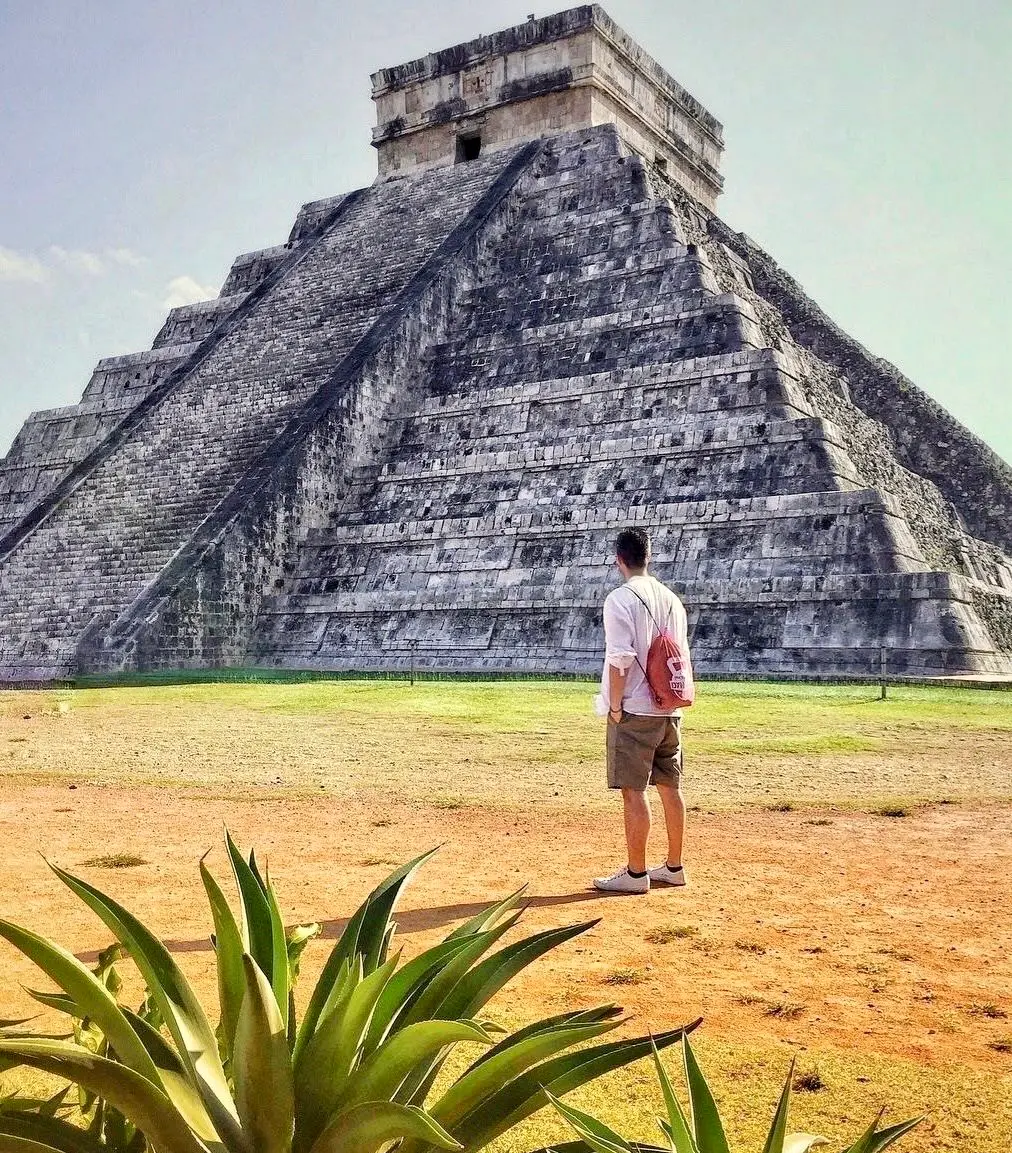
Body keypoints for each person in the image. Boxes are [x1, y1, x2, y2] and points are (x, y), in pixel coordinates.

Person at [593, 527, 690, 894]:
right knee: (670, 786)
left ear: (619, 560)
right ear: (648, 557)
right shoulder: (671, 599)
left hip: (634, 706)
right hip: (669, 708)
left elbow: (620, 658)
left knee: (633, 790)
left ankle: (635, 874)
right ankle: (674, 866)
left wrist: (615, 705)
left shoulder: (620, 599)